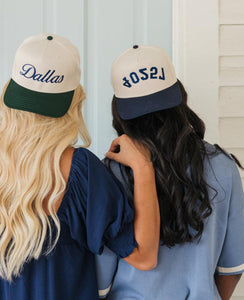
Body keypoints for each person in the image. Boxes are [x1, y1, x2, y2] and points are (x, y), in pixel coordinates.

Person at [0, 34, 160, 300]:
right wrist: (143, 165)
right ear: (73, 102)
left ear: (9, 92)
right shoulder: (81, 172)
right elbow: (144, 256)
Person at [96, 45, 244, 300]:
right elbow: (232, 268)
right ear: (179, 96)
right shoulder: (223, 166)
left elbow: (99, 281)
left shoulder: (111, 174)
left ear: (120, 112)